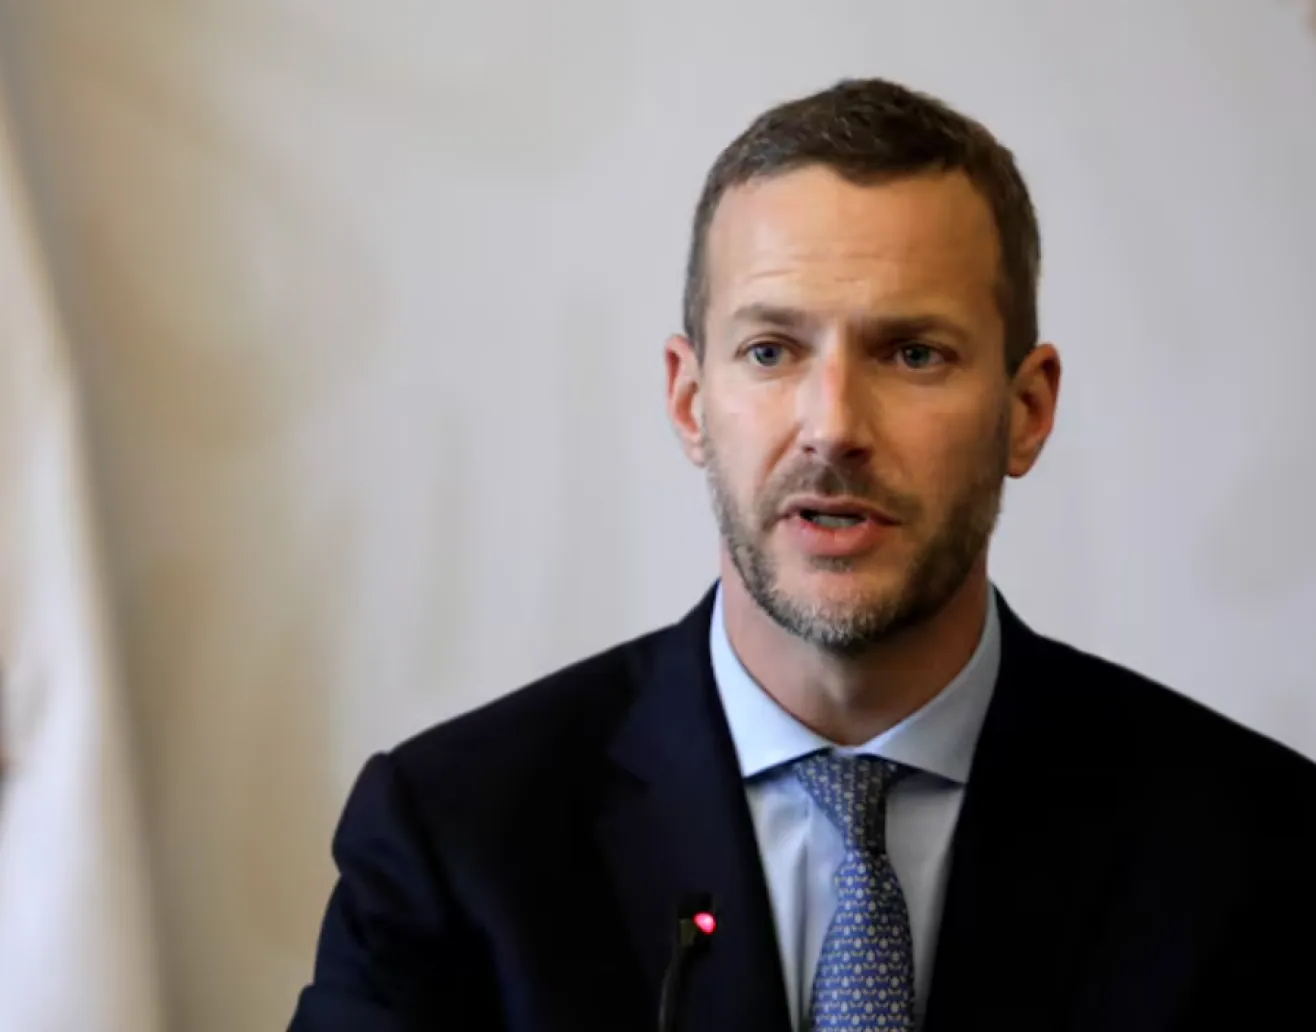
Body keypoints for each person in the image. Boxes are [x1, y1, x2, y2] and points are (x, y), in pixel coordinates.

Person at [285, 78, 1316, 1032]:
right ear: (692, 403)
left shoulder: (1256, 845)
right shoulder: (455, 841)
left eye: (914, 354)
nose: (832, 426)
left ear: (1026, 409)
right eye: (771, 351)